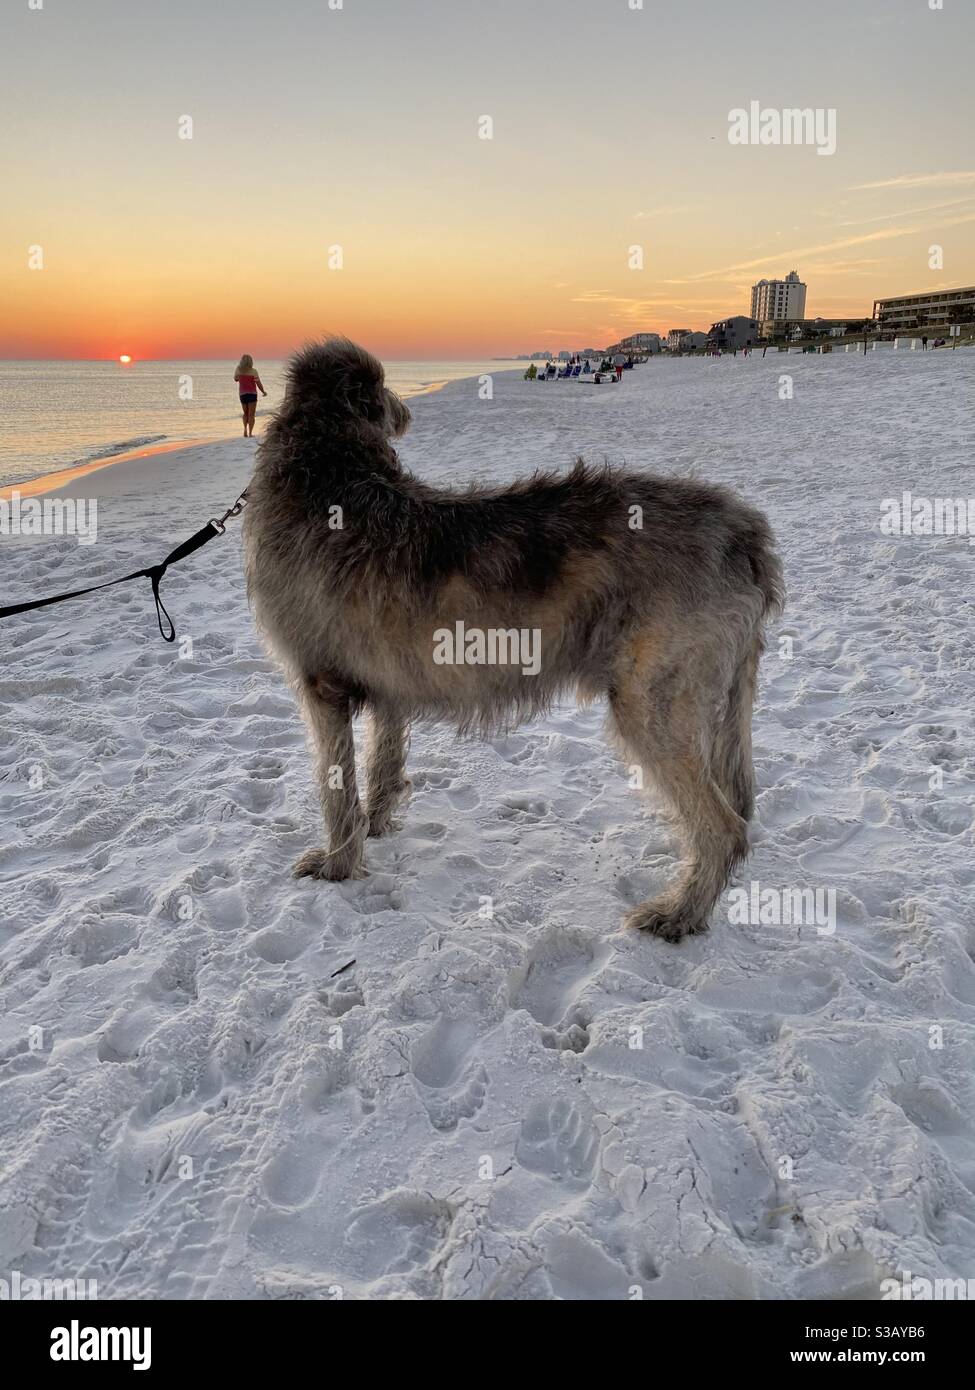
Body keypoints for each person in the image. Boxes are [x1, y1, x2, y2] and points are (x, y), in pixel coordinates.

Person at [234, 354, 267, 437]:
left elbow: (235, 379)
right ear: (251, 362)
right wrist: (263, 391)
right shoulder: (254, 371)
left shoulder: (238, 370)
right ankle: (250, 433)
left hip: (242, 394)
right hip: (252, 394)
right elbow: (258, 383)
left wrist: (241, 377)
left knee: (245, 413)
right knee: (251, 414)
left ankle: (245, 429)